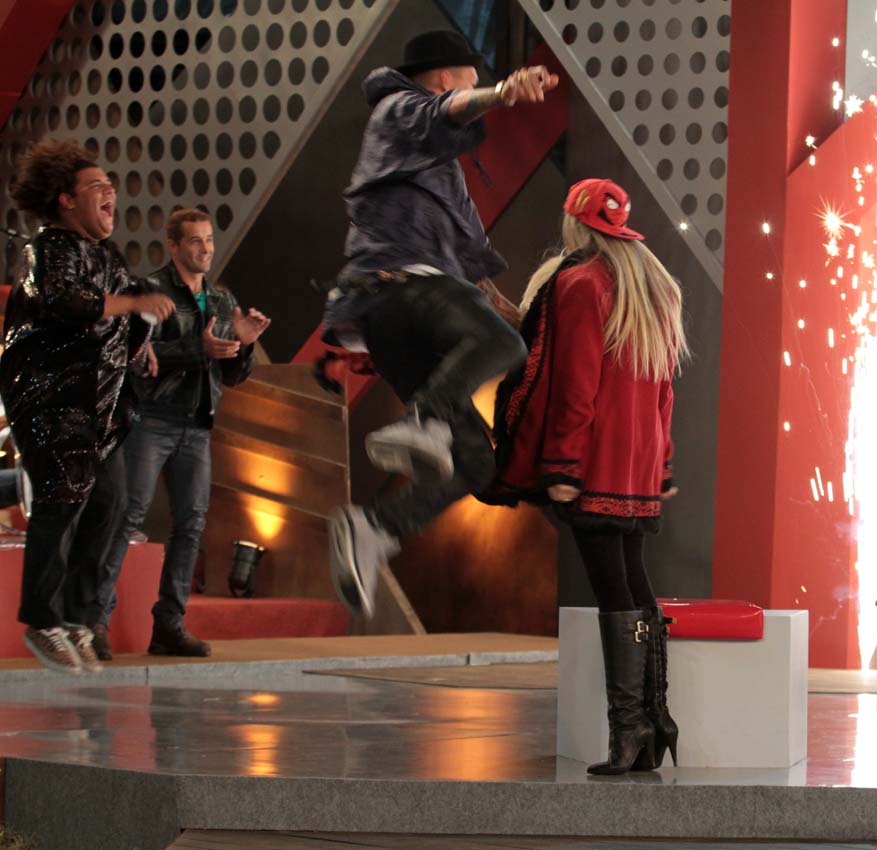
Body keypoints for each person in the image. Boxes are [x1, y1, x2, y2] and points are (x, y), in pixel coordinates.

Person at [323, 30, 560, 617]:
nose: (474, 90)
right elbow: (442, 111)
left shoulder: (435, 168)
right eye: (471, 80)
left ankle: (376, 526)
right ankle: (425, 421)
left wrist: (509, 307)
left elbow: (469, 259)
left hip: (409, 318)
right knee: (498, 343)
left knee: (477, 461)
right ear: (447, 77)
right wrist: (502, 93)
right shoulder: (396, 110)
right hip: (397, 287)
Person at [480, 178, 687, 775]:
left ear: (576, 222)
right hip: (639, 460)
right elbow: (664, 391)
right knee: (633, 583)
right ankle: (653, 719)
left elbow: (577, 385)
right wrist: (662, 462)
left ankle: (629, 729)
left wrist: (563, 466)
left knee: (612, 590)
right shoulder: (653, 284)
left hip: (595, 457)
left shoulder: (580, 283)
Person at [0, 139, 174, 674]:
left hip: (99, 406)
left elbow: (126, 312)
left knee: (110, 505)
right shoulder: (49, 248)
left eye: (110, 186)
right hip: (52, 399)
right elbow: (64, 302)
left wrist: (142, 341)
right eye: (97, 186)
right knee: (62, 499)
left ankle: (78, 616)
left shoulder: (108, 254)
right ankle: (42, 620)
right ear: (66, 200)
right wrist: (134, 303)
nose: (110, 193)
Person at [92, 208, 270, 660]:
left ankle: (169, 627)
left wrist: (244, 345)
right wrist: (198, 348)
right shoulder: (150, 290)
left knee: (190, 526)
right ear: (172, 245)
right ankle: (94, 622)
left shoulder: (222, 299)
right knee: (126, 517)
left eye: (208, 240)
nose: (205, 249)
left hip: (199, 426)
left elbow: (232, 376)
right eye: (194, 240)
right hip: (151, 419)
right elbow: (135, 357)